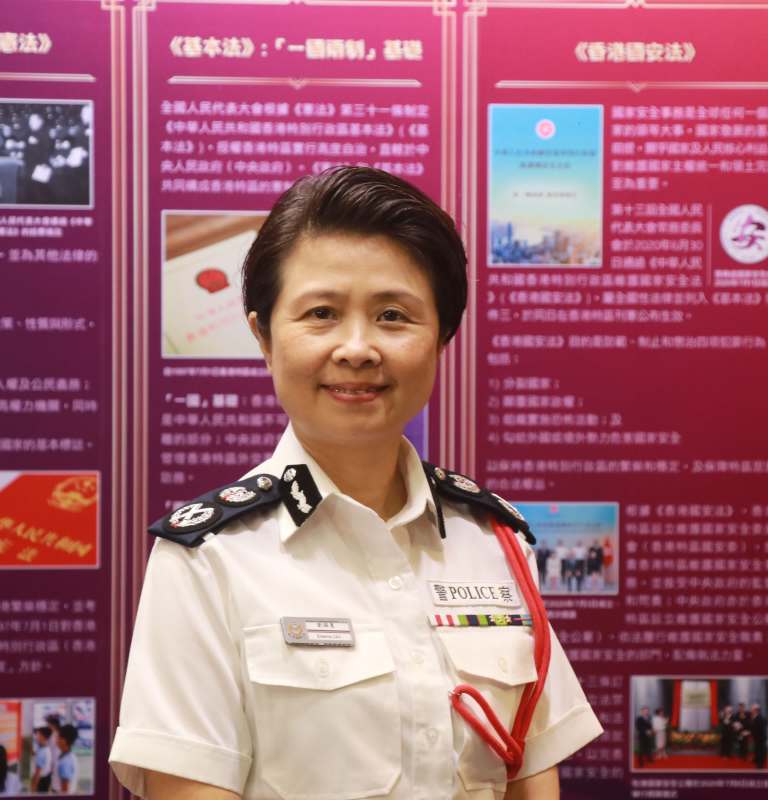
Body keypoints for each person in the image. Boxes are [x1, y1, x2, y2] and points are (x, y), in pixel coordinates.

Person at [108, 166, 603, 799]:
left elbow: (530, 777)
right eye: (321, 313)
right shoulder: (210, 559)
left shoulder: (493, 540)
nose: (358, 348)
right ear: (263, 336)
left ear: (441, 339)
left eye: (393, 315)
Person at [54, 724, 79, 794]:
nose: (56, 739)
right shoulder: (70, 756)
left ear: (64, 740)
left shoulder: (65, 761)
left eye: (58, 737)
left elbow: (65, 789)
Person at [31, 726, 53, 792]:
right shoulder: (46, 748)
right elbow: (36, 753)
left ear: (43, 737)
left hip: (41, 781)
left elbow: (37, 773)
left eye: (38, 735)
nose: (36, 737)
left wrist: (33, 787)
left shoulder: (42, 752)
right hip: (46, 778)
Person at [749, 704, 768, 769]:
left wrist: (751, 733)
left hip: (760, 738)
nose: (751, 711)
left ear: (756, 710)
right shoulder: (755, 717)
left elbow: (759, 729)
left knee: (760, 751)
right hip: (758, 737)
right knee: (757, 750)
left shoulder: (760, 718)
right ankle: (757, 760)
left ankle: (760, 765)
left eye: (752, 709)